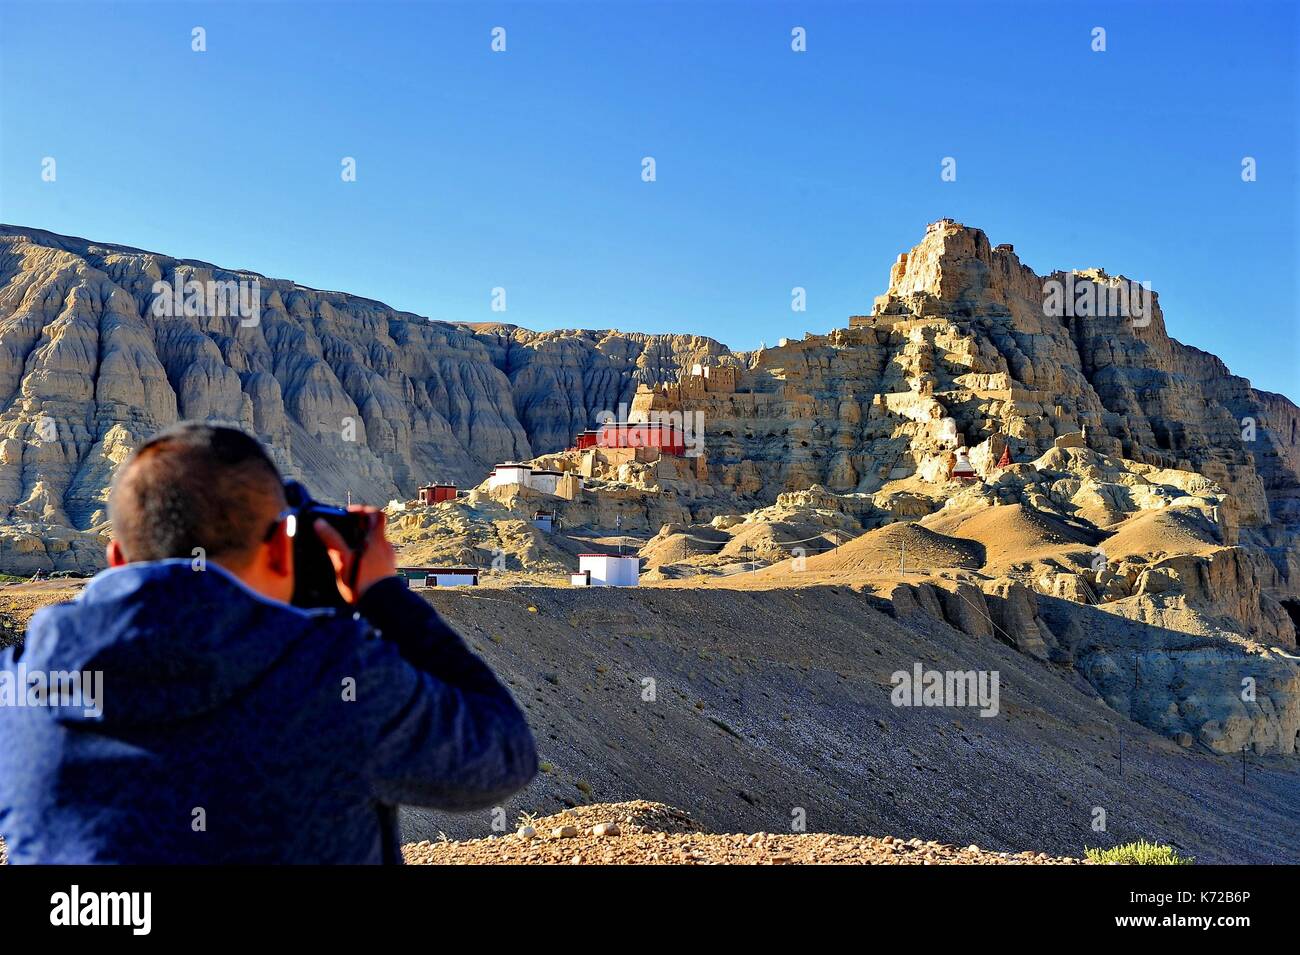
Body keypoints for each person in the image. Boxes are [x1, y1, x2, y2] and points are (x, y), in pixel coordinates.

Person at [0, 422, 536, 863]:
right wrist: (381, 595)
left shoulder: (19, 684)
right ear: (282, 550)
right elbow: (504, 754)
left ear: (116, 556)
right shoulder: (334, 677)